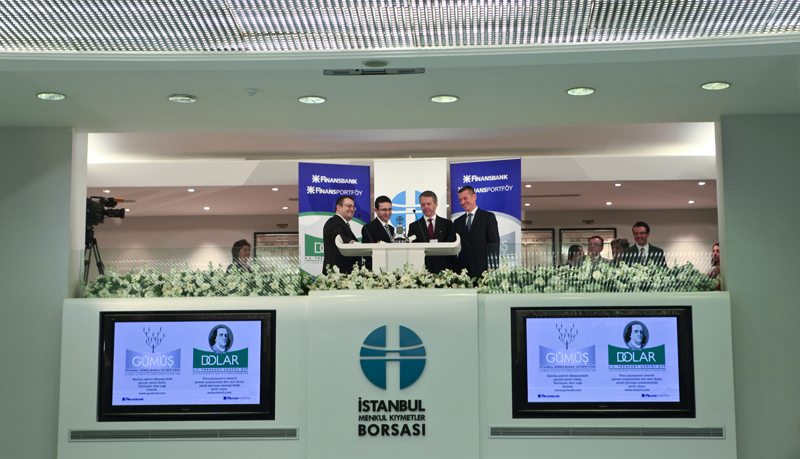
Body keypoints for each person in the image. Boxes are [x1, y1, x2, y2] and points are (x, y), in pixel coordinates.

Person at [451, 186, 500, 279]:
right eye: (460, 200)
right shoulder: (457, 222)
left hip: (483, 269)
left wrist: (492, 267)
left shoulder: (488, 217)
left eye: (465, 198)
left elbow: (494, 243)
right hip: (462, 271)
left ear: (474, 196)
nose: (462, 202)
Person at [408, 190, 454, 274]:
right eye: (423, 204)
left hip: (444, 269)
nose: (426, 207)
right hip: (422, 270)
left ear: (436, 204)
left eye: (428, 204)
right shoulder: (414, 226)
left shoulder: (447, 224)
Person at [322, 195, 360, 274]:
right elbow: (338, 236)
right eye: (349, 206)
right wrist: (352, 243)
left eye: (353, 207)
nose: (352, 209)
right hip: (337, 274)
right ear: (339, 207)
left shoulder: (342, 223)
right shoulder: (334, 221)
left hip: (345, 273)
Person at [361, 196, 394, 270]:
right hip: (376, 269)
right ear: (376, 211)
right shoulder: (368, 228)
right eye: (384, 210)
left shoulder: (392, 229)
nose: (387, 213)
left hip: (392, 267)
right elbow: (367, 252)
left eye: (389, 209)